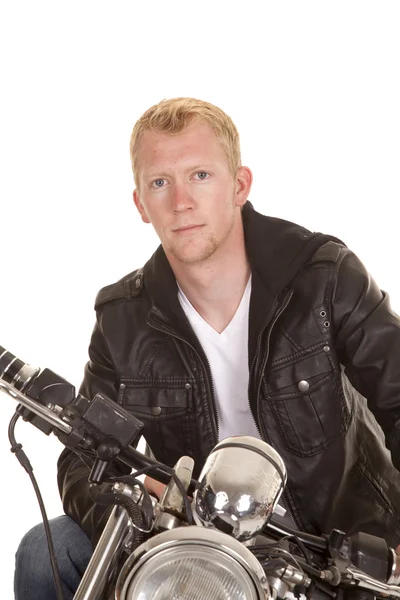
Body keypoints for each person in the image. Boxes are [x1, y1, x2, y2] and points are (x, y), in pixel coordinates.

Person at [14, 97, 400, 599]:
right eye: (160, 183)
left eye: (199, 175)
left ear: (239, 185)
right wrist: (136, 506)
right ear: (139, 203)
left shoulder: (324, 277)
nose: (181, 202)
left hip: (338, 551)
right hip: (204, 553)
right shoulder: (122, 318)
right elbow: (83, 457)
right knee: (45, 552)